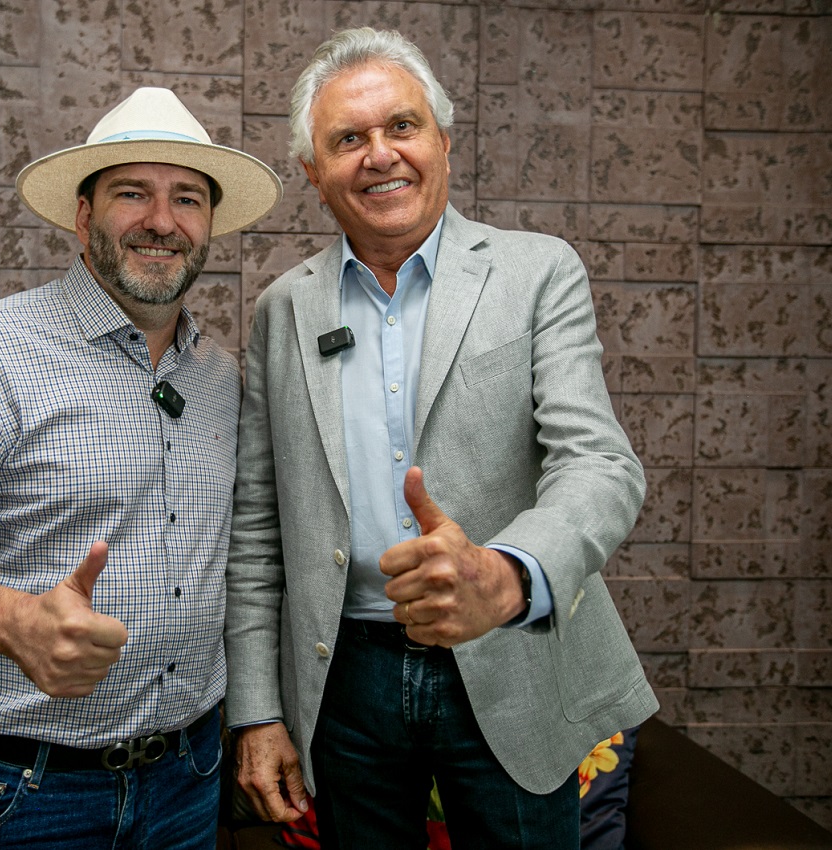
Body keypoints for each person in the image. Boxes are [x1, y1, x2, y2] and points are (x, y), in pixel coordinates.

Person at [224, 27, 657, 849]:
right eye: (347, 139)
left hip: (512, 655)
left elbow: (599, 465)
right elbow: (257, 530)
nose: (379, 155)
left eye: (401, 126)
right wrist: (257, 711)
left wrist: (505, 576)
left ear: (444, 144)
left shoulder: (538, 273)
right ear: (315, 176)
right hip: (344, 678)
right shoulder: (282, 310)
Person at [0, 86, 282, 850]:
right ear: (83, 216)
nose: (162, 220)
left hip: (189, 781)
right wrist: (16, 623)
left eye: (187, 198)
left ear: (209, 224)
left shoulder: (220, 377)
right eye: (132, 193)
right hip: (26, 795)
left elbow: (249, 559)